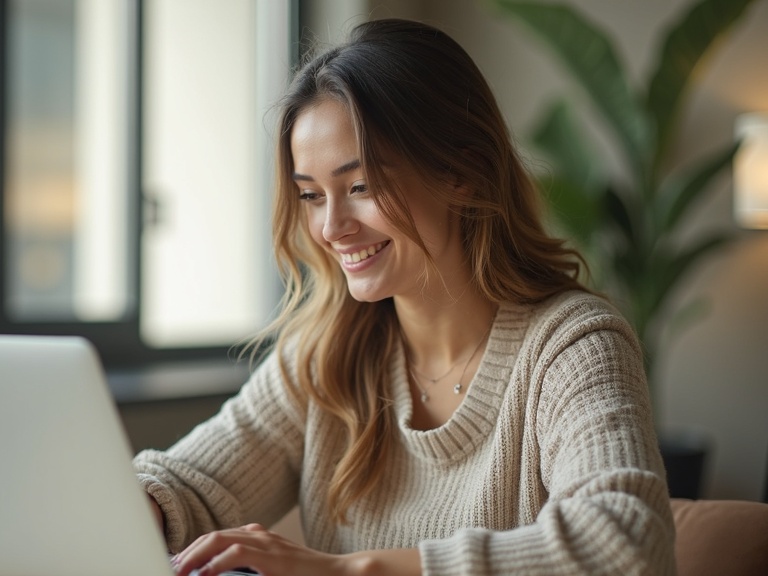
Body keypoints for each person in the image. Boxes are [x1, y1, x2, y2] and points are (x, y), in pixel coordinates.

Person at [133, 18, 675, 576]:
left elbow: (627, 546)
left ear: (462, 171)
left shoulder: (574, 347)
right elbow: (185, 487)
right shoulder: (325, 356)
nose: (332, 228)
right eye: (312, 196)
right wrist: (137, 506)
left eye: (361, 186)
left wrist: (349, 570)